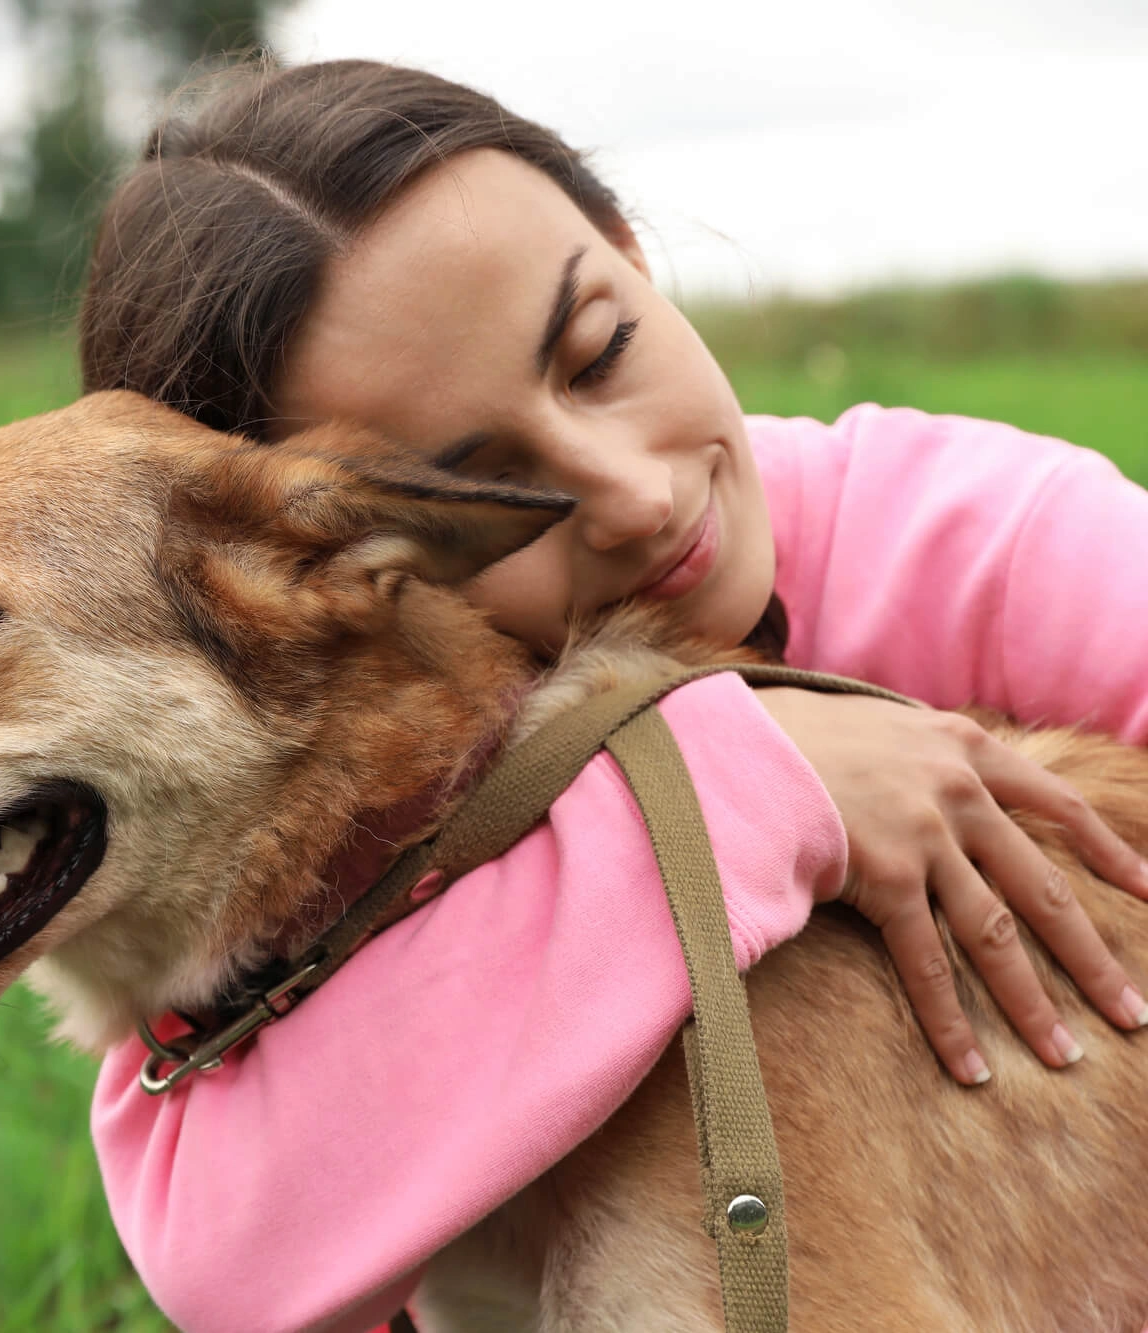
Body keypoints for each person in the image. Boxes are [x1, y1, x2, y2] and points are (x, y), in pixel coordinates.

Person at [72, 59, 1148, 1332]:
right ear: (315, 576)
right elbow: (223, 1258)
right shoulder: (363, 795)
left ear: (631, 253)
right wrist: (733, 786)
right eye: (489, 492)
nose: (635, 498)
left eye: (600, 350)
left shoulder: (988, 536)